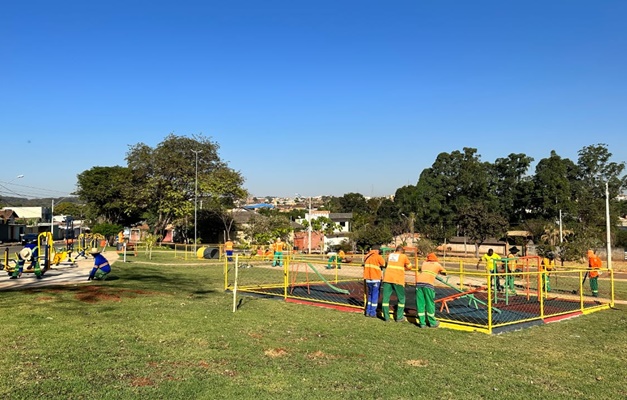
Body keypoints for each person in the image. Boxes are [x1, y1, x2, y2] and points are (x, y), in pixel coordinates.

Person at [381, 245, 412, 322]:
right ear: (402, 251)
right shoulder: (403, 256)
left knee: (385, 298)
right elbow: (410, 266)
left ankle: (386, 317)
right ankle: (399, 317)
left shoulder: (390, 255)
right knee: (401, 299)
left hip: (387, 278)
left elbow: (387, 264)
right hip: (398, 279)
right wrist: (404, 268)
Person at [415, 253, 446, 328]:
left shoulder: (424, 263)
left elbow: (421, 269)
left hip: (419, 283)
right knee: (430, 303)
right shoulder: (437, 264)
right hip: (428, 284)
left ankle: (422, 323)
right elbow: (444, 272)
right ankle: (432, 322)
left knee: (420, 303)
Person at [362, 245, 386, 318]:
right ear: (376, 250)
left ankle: (367, 311)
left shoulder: (366, 256)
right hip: (375, 278)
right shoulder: (378, 257)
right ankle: (373, 313)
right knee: (375, 296)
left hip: (368, 279)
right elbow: (384, 264)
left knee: (370, 295)